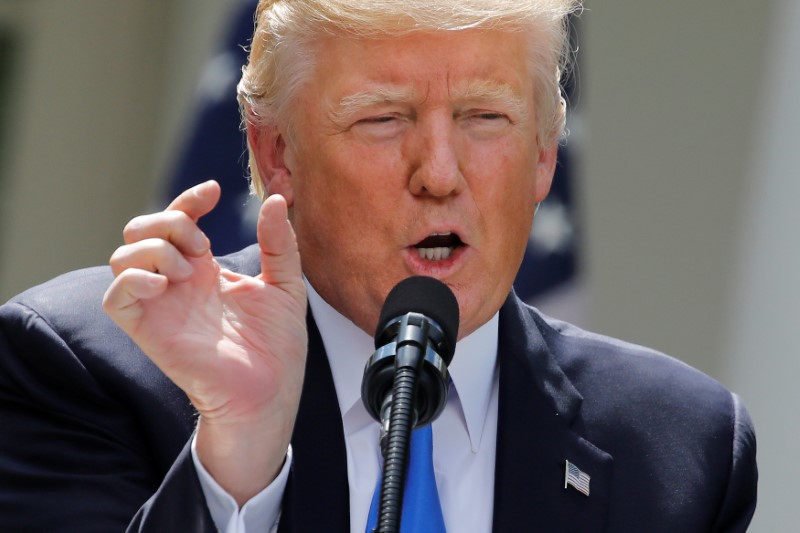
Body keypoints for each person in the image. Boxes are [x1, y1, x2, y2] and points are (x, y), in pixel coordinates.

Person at [0, 0, 757, 531]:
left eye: (484, 117)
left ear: (543, 155)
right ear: (276, 154)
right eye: (384, 118)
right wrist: (237, 458)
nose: (438, 171)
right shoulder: (87, 369)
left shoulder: (680, 448)